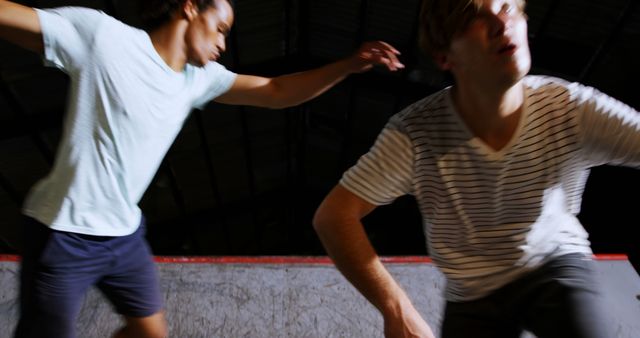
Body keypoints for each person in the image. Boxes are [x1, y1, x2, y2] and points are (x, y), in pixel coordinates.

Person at [0, 0, 404, 337]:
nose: (223, 44)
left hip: (123, 235)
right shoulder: (103, 38)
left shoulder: (196, 79)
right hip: (64, 232)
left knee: (150, 334)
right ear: (190, 8)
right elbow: (14, 17)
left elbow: (277, 92)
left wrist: (347, 65)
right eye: (221, 28)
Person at [313, 0, 639, 337]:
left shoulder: (570, 108)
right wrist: (397, 309)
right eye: (476, 19)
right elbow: (334, 216)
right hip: (471, 295)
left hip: (554, 266)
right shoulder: (416, 134)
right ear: (444, 57)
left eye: (508, 8)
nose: (501, 24)